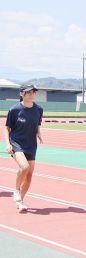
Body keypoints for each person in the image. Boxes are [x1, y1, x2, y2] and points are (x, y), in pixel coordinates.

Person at [4, 84, 43, 212]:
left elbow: (37, 124)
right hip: (17, 143)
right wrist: (8, 144)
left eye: (33, 92)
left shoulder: (39, 109)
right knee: (24, 167)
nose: (32, 94)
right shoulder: (14, 110)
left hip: (31, 145)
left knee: (29, 175)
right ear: (22, 94)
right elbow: (7, 128)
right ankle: (16, 190)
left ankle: (20, 201)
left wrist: (39, 133)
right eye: (28, 92)